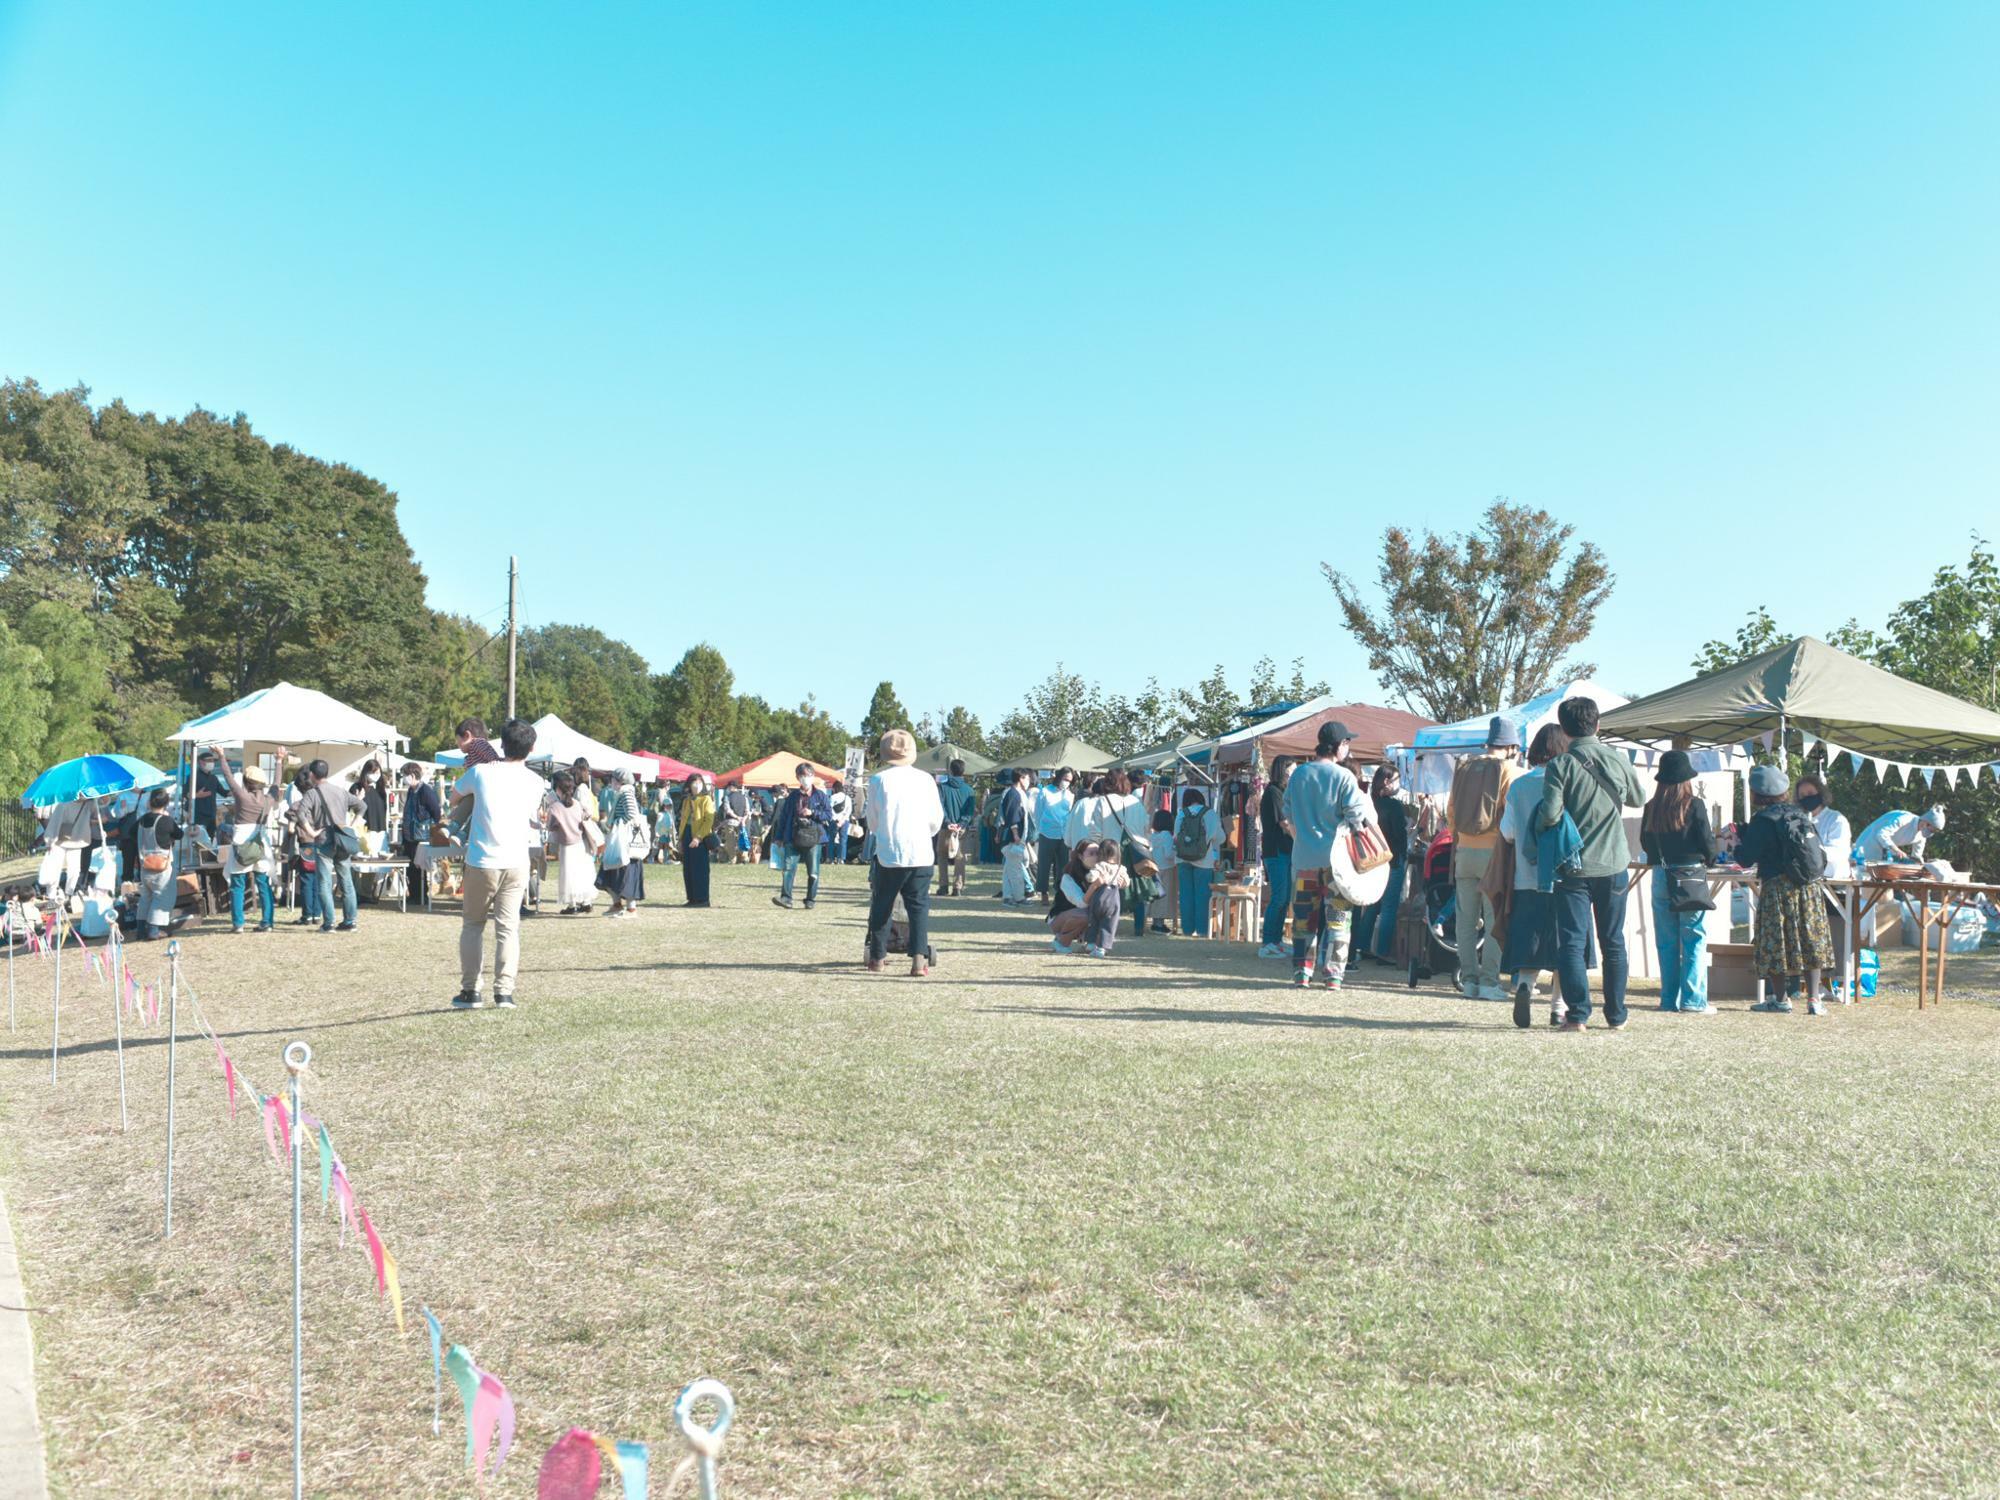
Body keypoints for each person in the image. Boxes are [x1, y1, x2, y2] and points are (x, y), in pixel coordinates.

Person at [1534, 697, 1645, 1031]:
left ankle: (1578, 1015)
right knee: (1613, 941)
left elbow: (1551, 814)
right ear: (1597, 725)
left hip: (1574, 866)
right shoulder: (1618, 759)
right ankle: (1617, 1016)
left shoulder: (1560, 766)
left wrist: (1541, 822)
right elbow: (1638, 798)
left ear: (1563, 729)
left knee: (1572, 941)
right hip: (1614, 862)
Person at [446, 718, 543, 1007]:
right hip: (516, 861)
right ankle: (504, 993)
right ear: (532, 748)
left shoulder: (479, 772)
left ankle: (470, 991)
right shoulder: (536, 781)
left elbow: (454, 799)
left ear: (501, 744)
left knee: (473, 926)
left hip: (481, 860)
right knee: (508, 929)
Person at [1734, 764, 1836, 1014]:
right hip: (1808, 887)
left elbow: (1746, 858)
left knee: (1774, 942)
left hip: (1777, 888)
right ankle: (1814, 1000)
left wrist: (1738, 841)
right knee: (1811, 939)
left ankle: (1780, 1000)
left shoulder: (1762, 819)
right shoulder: (1800, 814)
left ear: (1757, 793)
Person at [1282, 721, 1376, 988]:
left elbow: (1287, 815)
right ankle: (1333, 975)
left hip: (1302, 861)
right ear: (1340, 746)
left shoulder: (1299, 774)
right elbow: (1358, 818)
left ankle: (1302, 973)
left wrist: (1302, 837)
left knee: (1303, 921)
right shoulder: (1344, 777)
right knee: (1338, 920)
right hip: (1337, 865)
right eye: (1348, 743)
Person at [1498, 724, 1574, 1028]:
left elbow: (1508, 832)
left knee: (1531, 941)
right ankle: (1558, 1007)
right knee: (1565, 944)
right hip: (1565, 876)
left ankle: (1526, 986)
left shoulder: (1518, 786)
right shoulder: (1570, 783)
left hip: (1526, 878)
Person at [1447, 717, 1520, 1001]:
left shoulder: (1464, 766)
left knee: (1465, 920)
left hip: (1464, 851)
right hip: (1494, 853)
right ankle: (1490, 982)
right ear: (1512, 745)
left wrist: (1459, 839)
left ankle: (1469, 981)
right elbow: (1510, 811)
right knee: (1494, 920)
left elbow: (1451, 810)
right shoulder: (1509, 770)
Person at [1640, 750, 1718, 1016]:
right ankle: (1693, 1000)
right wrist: (1711, 858)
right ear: (1686, 779)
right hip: (1691, 876)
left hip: (1661, 874)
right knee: (1694, 938)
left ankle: (1668, 999)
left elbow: (1645, 844)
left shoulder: (1651, 807)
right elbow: (1707, 842)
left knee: (1666, 941)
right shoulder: (1694, 805)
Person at [863, 729, 944, 977]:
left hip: (889, 852)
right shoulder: (926, 779)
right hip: (920, 851)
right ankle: (919, 960)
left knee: (882, 906)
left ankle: (877, 957)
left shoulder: (879, 780)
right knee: (918, 907)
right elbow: (935, 820)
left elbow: (872, 822)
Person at [1794, 770, 1854, 998]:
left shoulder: (1836, 819)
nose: (1807, 797)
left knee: (1835, 936)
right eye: (1802, 795)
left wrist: (1809, 852)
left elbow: (1837, 853)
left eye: (1811, 793)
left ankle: (1834, 983)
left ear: (1821, 793)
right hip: (1806, 883)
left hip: (1833, 884)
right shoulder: (1798, 819)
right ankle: (1806, 984)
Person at [1350, 764, 1410, 966]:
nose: (1398, 784)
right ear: (1386, 781)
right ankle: (1383, 951)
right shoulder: (1393, 806)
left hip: (1372, 860)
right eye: (1396, 779)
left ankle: (1362, 945)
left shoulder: (1369, 802)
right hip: (1392, 860)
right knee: (1389, 907)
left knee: (1373, 905)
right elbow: (1400, 836)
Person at [294, 759, 360, 934]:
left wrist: (312, 831)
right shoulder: (340, 790)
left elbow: (300, 814)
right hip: (342, 839)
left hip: (324, 841)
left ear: (312, 775)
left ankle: (329, 923)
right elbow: (362, 805)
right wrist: (351, 824)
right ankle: (350, 920)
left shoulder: (312, 793)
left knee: (324, 882)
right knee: (346, 881)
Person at [223, 760, 279, 933]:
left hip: (241, 844)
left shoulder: (242, 797)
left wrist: (221, 755)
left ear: (246, 782)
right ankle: (267, 922)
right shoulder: (268, 800)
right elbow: (276, 786)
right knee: (263, 883)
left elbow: (228, 777)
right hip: (260, 844)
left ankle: (238, 924)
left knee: (238, 884)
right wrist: (278, 761)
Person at [1048, 840, 1125, 957]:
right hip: (1061, 918)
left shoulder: (1103, 871)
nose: (1096, 857)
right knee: (1086, 914)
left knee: (1105, 912)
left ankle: (1092, 944)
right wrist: (1094, 885)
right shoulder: (1068, 877)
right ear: (1080, 856)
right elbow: (1081, 903)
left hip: (1088, 915)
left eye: (1098, 853)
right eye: (1091, 854)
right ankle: (1061, 941)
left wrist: (1121, 882)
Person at [772, 764, 833, 909]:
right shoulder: (792, 796)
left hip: (813, 838)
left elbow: (829, 815)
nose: (806, 778)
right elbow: (784, 816)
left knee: (813, 872)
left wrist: (813, 813)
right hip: (792, 836)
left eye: (809, 774)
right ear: (798, 777)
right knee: (788, 869)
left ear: (813, 775)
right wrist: (779, 837)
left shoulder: (821, 796)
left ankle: (810, 899)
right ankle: (786, 898)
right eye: (803, 775)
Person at [1255, 757, 1296, 959]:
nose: (1294, 775)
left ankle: (1277, 941)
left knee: (1285, 897)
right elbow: (1284, 823)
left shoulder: (1284, 793)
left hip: (1285, 851)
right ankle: (1268, 942)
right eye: (1292, 771)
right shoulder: (1273, 793)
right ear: (1283, 771)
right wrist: (1302, 839)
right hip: (1276, 852)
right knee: (1279, 897)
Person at [1171, 786, 1224, 938]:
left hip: (1182, 858)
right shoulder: (1210, 813)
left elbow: (1176, 837)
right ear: (1201, 799)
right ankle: (1202, 931)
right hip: (1204, 860)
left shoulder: (1181, 814)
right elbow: (1220, 838)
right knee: (1202, 896)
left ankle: (1187, 930)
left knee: (1186, 895)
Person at [597, 769, 650, 919]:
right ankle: (617, 905)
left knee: (624, 873)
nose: (611, 782)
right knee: (611, 871)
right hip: (620, 840)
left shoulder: (626, 793)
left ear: (620, 781)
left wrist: (618, 824)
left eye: (613, 779)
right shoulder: (621, 793)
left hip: (624, 841)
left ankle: (631, 909)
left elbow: (632, 814)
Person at [544, 771, 597, 913]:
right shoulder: (577, 804)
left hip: (566, 845)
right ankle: (586, 902)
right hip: (580, 843)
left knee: (569, 875)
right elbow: (587, 815)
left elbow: (550, 826)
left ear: (558, 789)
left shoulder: (555, 807)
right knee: (582, 873)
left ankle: (572, 904)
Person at [133, 788, 182, 939]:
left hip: (144, 865)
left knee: (146, 898)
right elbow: (179, 834)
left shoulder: (141, 820)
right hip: (162, 867)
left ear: (149, 802)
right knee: (162, 897)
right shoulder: (166, 821)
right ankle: (154, 930)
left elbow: (130, 832)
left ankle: (140, 930)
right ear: (166, 803)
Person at [398, 762, 442, 908]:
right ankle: (414, 894)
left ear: (412, 775)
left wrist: (432, 832)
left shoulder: (426, 791)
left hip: (421, 836)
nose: (403, 778)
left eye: (404, 775)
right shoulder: (411, 790)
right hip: (409, 835)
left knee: (419, 867)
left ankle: (421, 895)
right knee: (411, 867)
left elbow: (436, 812)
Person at [1030, 769, 1076, 906]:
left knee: (1063, 866)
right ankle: (1043, 892)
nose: (1066, 782)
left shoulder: (1070, 795)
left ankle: (1060, 892)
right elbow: (1037, 812)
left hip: (1064, 834)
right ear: (1059, 777)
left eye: (1069, 780)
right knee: (1044, 865)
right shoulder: (1045, 791)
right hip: (1047, 833)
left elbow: (1069, 814)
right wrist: (1040, 830)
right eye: (1065, 779)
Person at [935, 759, 977, 896]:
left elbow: (940, 807)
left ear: (950, 771)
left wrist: (948, 823)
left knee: (942, 856)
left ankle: (943, 886)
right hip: (962, 828)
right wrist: (961, 824)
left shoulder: (942, 787)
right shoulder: (970, 790)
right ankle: (957, 887)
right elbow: (970, 812)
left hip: (945, 827)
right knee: (960, 857)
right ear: (963, 771)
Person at [1855, 805, 1945, 867]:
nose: (1930, 831)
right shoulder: (1904, 819)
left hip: (1885, 852)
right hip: (1868, 844)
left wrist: (1922, 864)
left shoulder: (1922, 835)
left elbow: (1916, 856)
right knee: (1866, 880)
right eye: (1931, 829)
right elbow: (1882, 834)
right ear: (1926, 822)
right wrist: (1897, 850)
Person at [997, 768, 1035, 906]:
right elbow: (1012, 817)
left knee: (1009, 869)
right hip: (1013, 838)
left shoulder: (1018, 793)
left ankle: (1007, 897)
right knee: (1016, 869)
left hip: (1016, 838)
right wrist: (1016, 835)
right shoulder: (1014, 794)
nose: (1029, 781)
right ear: (1021, 778)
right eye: (1028, 778)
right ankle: (1019, 897)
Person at [680, 773, 717, 907]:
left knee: (700, 869)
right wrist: (680, 839)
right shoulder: (686, 800)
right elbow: (683, 820)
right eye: (694, 782)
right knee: (688, 869)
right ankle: (692, 898)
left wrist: (698, 837)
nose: (696, 785)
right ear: (689, 785)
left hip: (700, 837)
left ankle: (702, 899)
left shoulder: (706, 799)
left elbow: (709, 820)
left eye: (699, 782)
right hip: (687, 835)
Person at [191, 748, 228, 839]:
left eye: (213, 760)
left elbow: (224, 792)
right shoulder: (193, 777)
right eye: (209, 760)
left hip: (211, 816)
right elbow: (185, 794)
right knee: (199, 841)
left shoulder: (213, 778)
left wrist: (237, 791)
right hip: (199, 817)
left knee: (210, 842)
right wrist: (196, 795)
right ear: (201, 762)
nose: (212, 762)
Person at [828, 785, 853, 865]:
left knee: (831, 839)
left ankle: (830, 858)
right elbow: (849, 810)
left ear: (835, 789)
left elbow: (830, 809)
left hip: (834, 821)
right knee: (843, 840)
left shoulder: (832, 797)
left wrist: (836, 819)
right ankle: (841, 859)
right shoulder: (847, 798)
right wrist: (842, 820)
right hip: (845, 821)